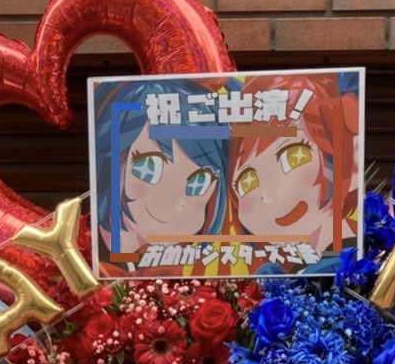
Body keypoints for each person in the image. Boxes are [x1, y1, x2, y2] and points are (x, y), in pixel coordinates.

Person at [93, 78, 229, 277]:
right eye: (148, 167)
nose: (177, 202)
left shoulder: (204, 264)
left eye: (199, 182)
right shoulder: (89, 245)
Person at [229, 71, 361, 270]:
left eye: (294, 157)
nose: (267, 195)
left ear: (352, 161)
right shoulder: (278, 273)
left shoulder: (365, 259)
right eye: (247, 181)